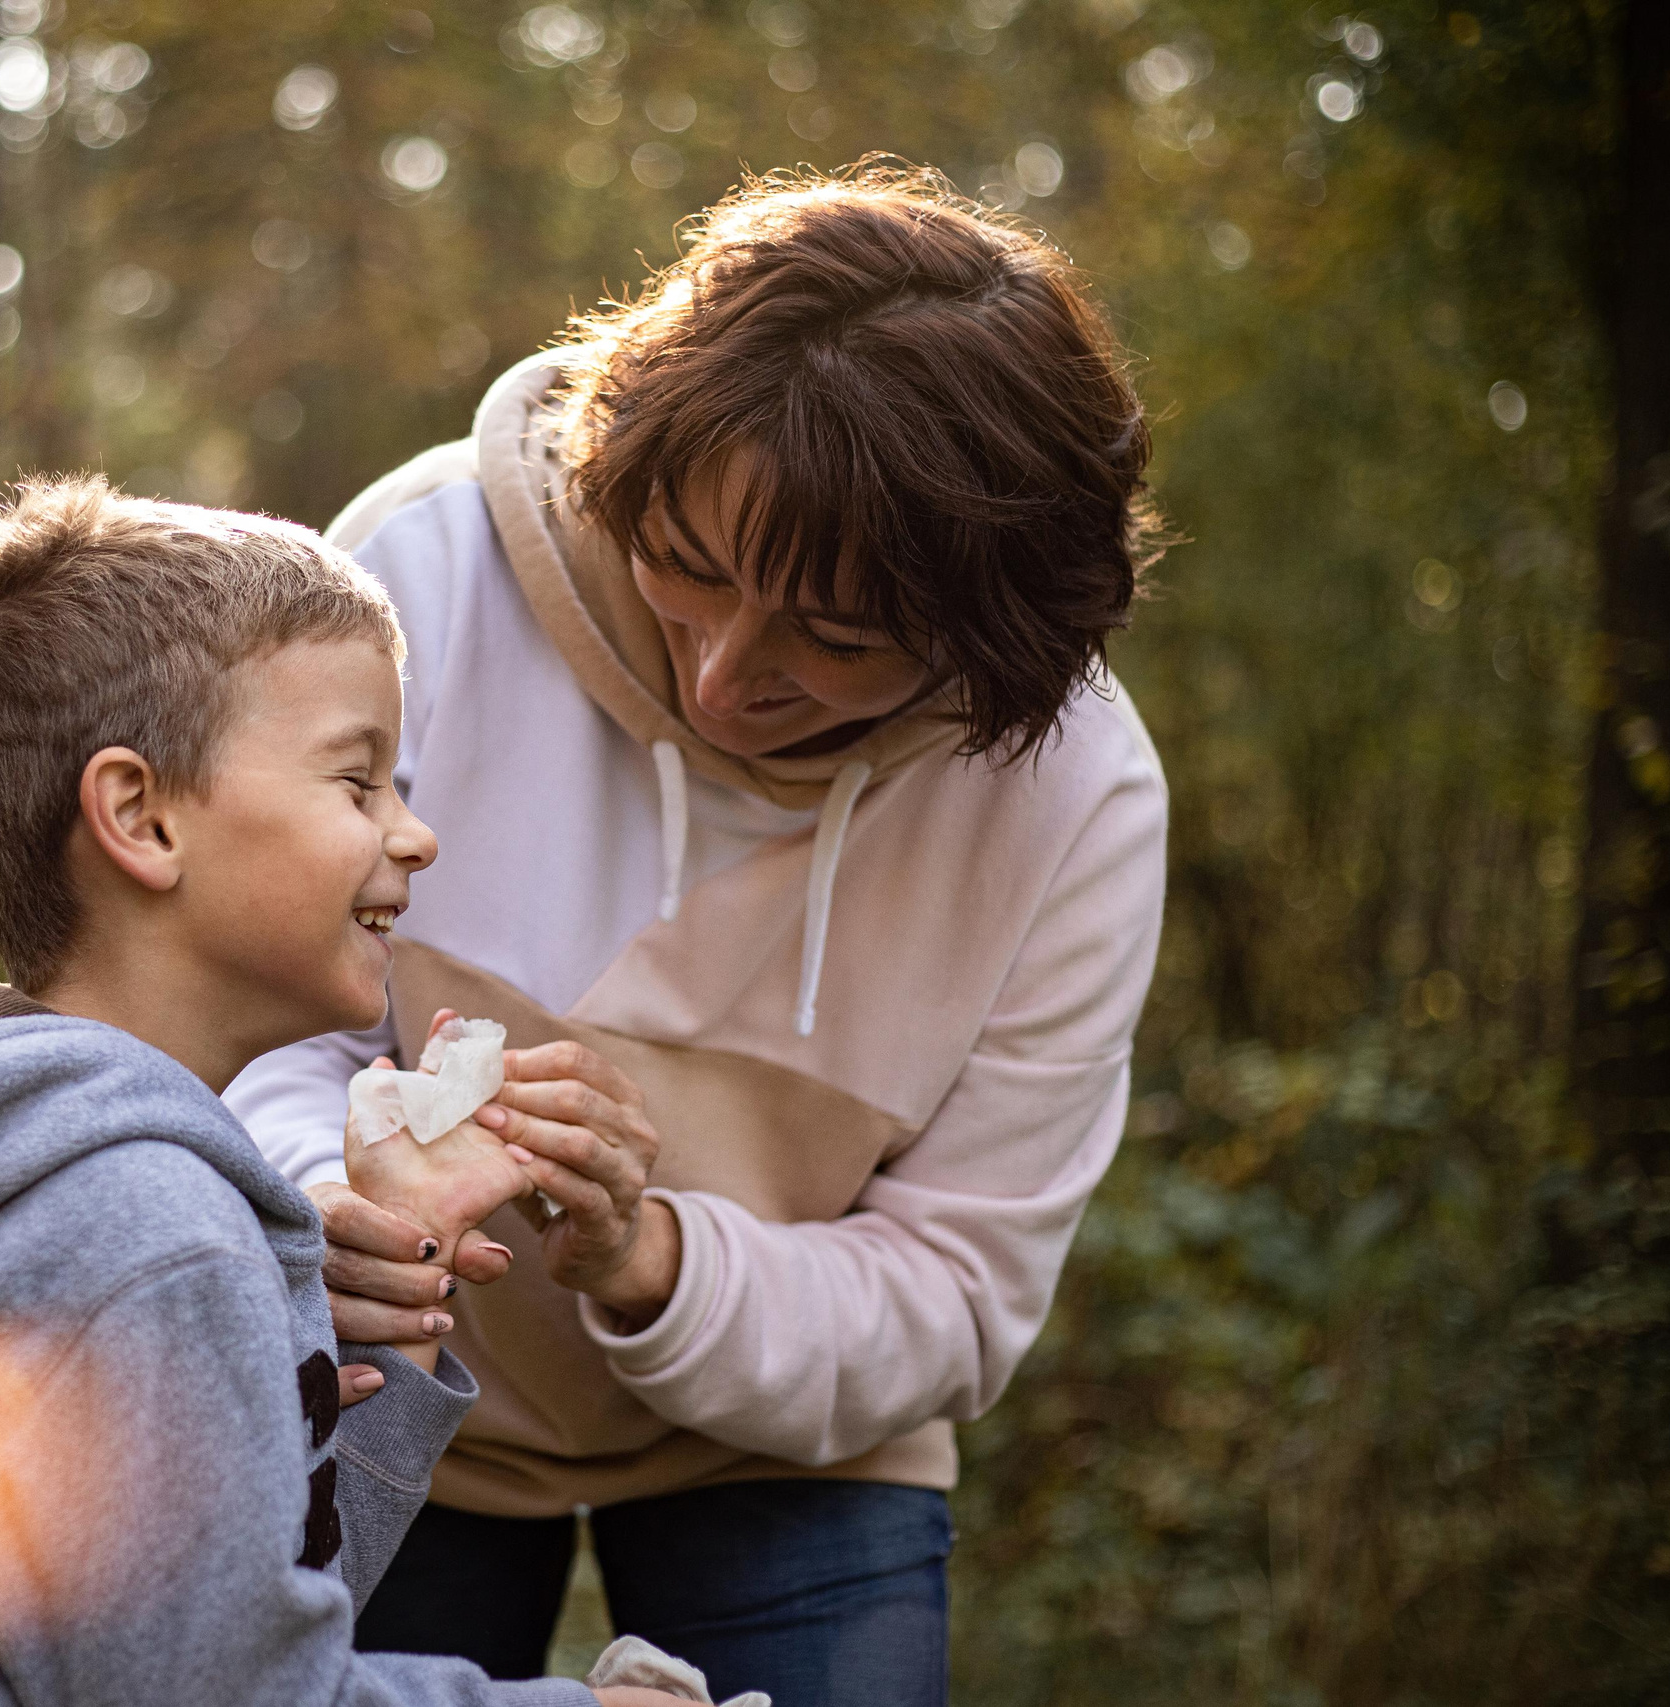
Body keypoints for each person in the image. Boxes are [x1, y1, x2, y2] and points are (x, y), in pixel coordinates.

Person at [225, 164, 1171, 1707]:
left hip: (800, 1444)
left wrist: (648, 1255)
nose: (729, 674)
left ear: (994, 632)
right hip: (389, 1378)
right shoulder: (424, 573)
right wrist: (327, 1197)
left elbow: (957, 1290)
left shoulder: (1074, 798)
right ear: (630, 457)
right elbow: (252, 1007)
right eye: (693, 565)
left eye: (839, 636)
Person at [0, 478, 689, 1707]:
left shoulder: (28, 1181)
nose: (415, 835)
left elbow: (213, 1629)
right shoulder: (153, 1234)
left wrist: (392, 1300)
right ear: (141, 818)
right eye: (358, 782)